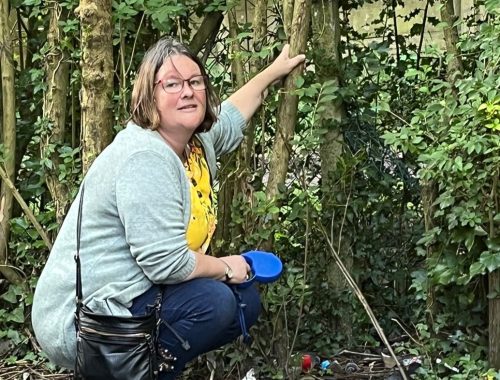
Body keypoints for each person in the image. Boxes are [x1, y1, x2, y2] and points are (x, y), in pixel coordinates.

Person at [31, 37, 305, 379]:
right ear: (150, 97)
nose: (187, 92)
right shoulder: (146, 158)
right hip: (83, 318)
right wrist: (226, 266)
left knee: (242, 302)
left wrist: (274, 72)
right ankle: (131, 372)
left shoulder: (192, 143)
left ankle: (148, 370)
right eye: (172, 84)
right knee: (215, 303)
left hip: (134, 293)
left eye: (195, 82)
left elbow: (232, 116)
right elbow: (168, 264)